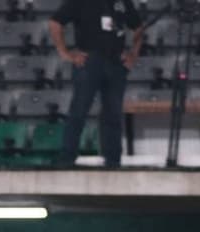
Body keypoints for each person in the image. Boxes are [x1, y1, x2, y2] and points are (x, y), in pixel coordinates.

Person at [49, 0, 143, 168]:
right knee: (79, 110)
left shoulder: (122, 2)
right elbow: (55, 23)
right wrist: (65, 53)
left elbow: (138, 27)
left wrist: (133, 54)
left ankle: (113, 161)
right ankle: (67, 158)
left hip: (116, 62)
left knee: (113, 114)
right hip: (90, 60)